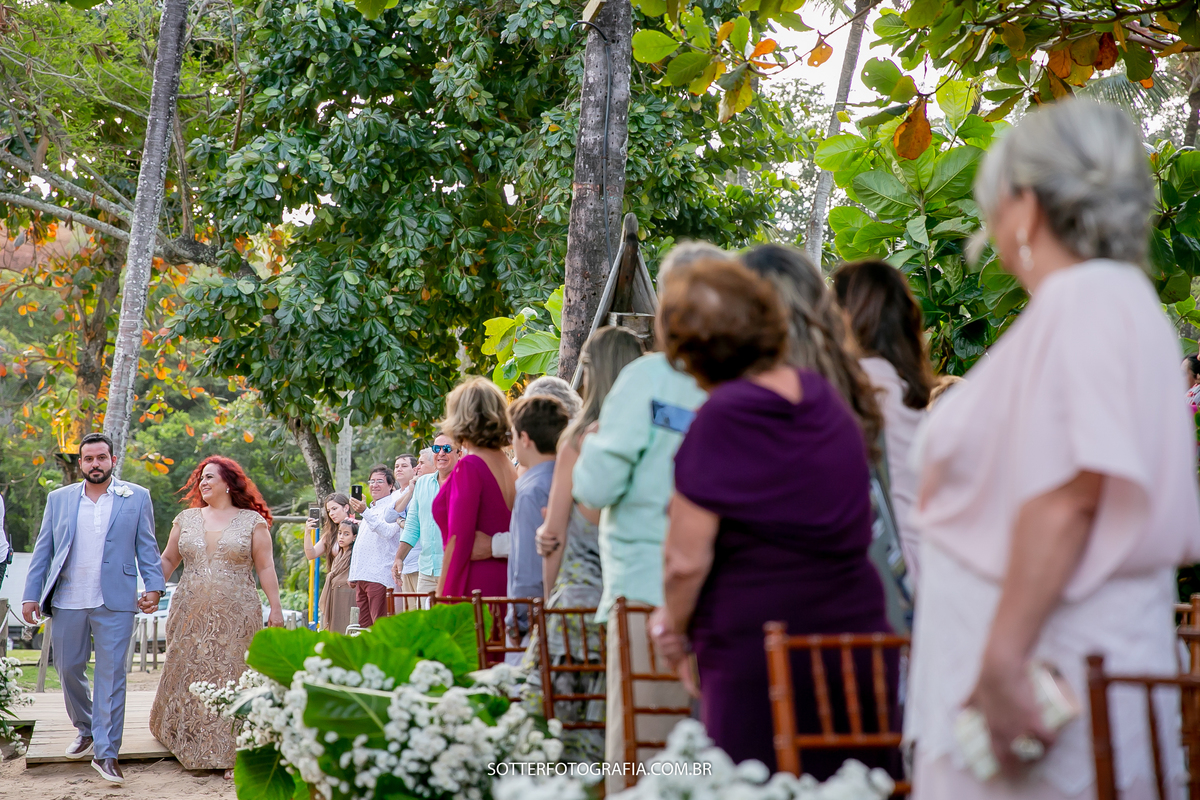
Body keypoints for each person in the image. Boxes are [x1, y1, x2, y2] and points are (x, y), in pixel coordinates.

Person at [906, 99, 1200, 799]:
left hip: (1044, 681)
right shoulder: (1106, 303)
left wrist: (1004, 658)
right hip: (1057, 664)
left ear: (1026, 204)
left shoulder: (1091, 301)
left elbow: (1070, 493)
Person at [647, 259, 896, 776]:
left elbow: (685, 561)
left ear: (688, 347)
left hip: (761, 655)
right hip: (853, 643)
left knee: (759, 780)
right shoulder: (825, 398)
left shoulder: (722, 417)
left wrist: (672, 628)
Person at [572, 242, 719, 786]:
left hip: (647, 597)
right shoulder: (746, 383)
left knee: (641, 758)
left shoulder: (646, 378)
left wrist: (591, 444)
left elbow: (595, 488)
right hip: (725, 595)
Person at [528, 326, 643, 765]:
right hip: (630, 601)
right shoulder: (649, 437)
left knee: (558, 731)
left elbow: (553, 535)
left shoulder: (578, 439)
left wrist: (546, 598)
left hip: (576, 605)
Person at [22, 433, 164, 786]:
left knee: (112, 677)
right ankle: (86, 728)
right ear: (81, 463)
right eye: (89, 459)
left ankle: (107, 753)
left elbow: (147, 546)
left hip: (116, 601)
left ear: (113, 460)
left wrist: (155, 586)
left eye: (102, 457)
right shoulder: (59, 499)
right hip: (68, 599)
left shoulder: (137, 497)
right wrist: (30, 594)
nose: (95, 464)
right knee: (68, 670)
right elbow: (44, 550)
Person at [149, 455, 282, 778]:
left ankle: (232, 752)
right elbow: (168, 559)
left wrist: (275, 607)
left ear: (228, 482)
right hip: (190, 609)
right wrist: (152, 590)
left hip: (237, 612)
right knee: (190, 669)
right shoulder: (187, 518)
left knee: (232, 674)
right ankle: (187, 740)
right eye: (201, 478)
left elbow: (265, 566)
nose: (203, 483)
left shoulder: (252, 521)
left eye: (210, 477)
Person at [833, 259, 935, 581]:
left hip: (888, 570)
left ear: (849, 315)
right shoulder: (903, 387)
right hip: (923, 561)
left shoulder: (859, 388)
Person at [433, 377, 514, 598]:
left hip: (474, 583)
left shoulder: (470, 466)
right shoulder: (508, 464)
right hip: (505, 579)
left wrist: (444, 597)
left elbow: (459, 540)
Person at [504, 395, 571, 659]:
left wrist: (518, 619)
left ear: (525, 438)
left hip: (535, 619)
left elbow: (527, 567)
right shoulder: (570, 478)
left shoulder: (530, 491)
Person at [395, 436, 460, 595]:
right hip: (426, 571)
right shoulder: (422, 483)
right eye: (437, 449)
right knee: (426, 619)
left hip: (456, 569)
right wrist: (399, 558)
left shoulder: (466, 482)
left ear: (460, 453)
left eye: (447, 448)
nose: (441, 453)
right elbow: (412, 526)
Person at [347, 465, 401, 627]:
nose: (374, 485)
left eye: (380, 481)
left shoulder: (394, 506)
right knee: (364, 628)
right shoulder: (371, 508)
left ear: (391, 485)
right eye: (371, 481)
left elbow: (387, 532)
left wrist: (364, 512)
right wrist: (353, 573)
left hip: (380, 576)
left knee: (379, 627)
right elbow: (360, 545)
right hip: (362, 576)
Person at [390, 455, 422, 607]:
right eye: (396, 466)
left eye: (404, 466)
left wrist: (401, 521)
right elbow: (389, 515)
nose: (399, 469)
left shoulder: (423, 489)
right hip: (405, 563)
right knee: (410, 611)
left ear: (414, 469)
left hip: (420, 561)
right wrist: (409, 492)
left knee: (422, 610)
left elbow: (418, 523)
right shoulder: (397, 494)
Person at [317, 520, 357, 634]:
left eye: (346, 534)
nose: (341, 537)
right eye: (340, 533)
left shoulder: (354, 556)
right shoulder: (338, 557)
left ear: (354, 537)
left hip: (347, 599)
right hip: (335, 598)